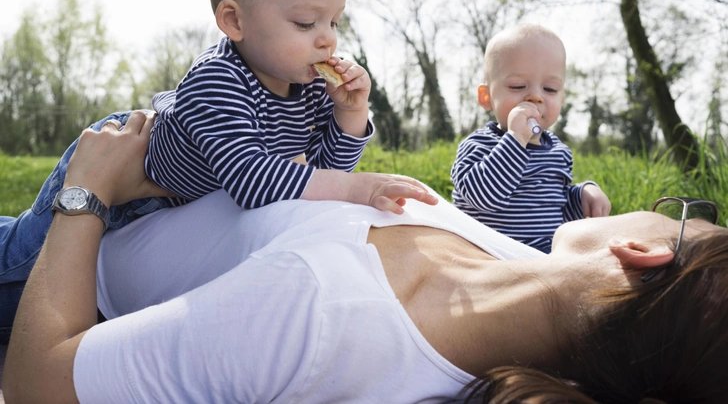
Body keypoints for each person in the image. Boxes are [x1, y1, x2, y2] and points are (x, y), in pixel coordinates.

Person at [4, 110, 728, 403]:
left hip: (72, 252)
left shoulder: (324, 310)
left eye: (687, 218)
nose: (663, 209)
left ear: (638, 253)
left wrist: (87, 192)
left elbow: (35, 383)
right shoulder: (529, 283)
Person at [0, 0, 408, 340]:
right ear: (234, 21)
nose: (327, 41)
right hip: (118, 162)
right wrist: (357, 189)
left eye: (335, 22)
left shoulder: (306, 87)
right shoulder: (218, 80)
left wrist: (350, 116)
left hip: (169, 203)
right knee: (23, 263)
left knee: (64, 289)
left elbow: (324, 174)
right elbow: (253, 181)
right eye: (306, 23)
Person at [451, 23, 611, 252]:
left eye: (550, 89)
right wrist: (515, 138)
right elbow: (484, 198)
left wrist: (583, 195)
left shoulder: (558, 151)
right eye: (518, 86)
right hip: (488, 258)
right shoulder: (478, 145)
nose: (535, 96)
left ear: (562, 98)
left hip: (545, 258)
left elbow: (557, 208)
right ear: (486, 97)